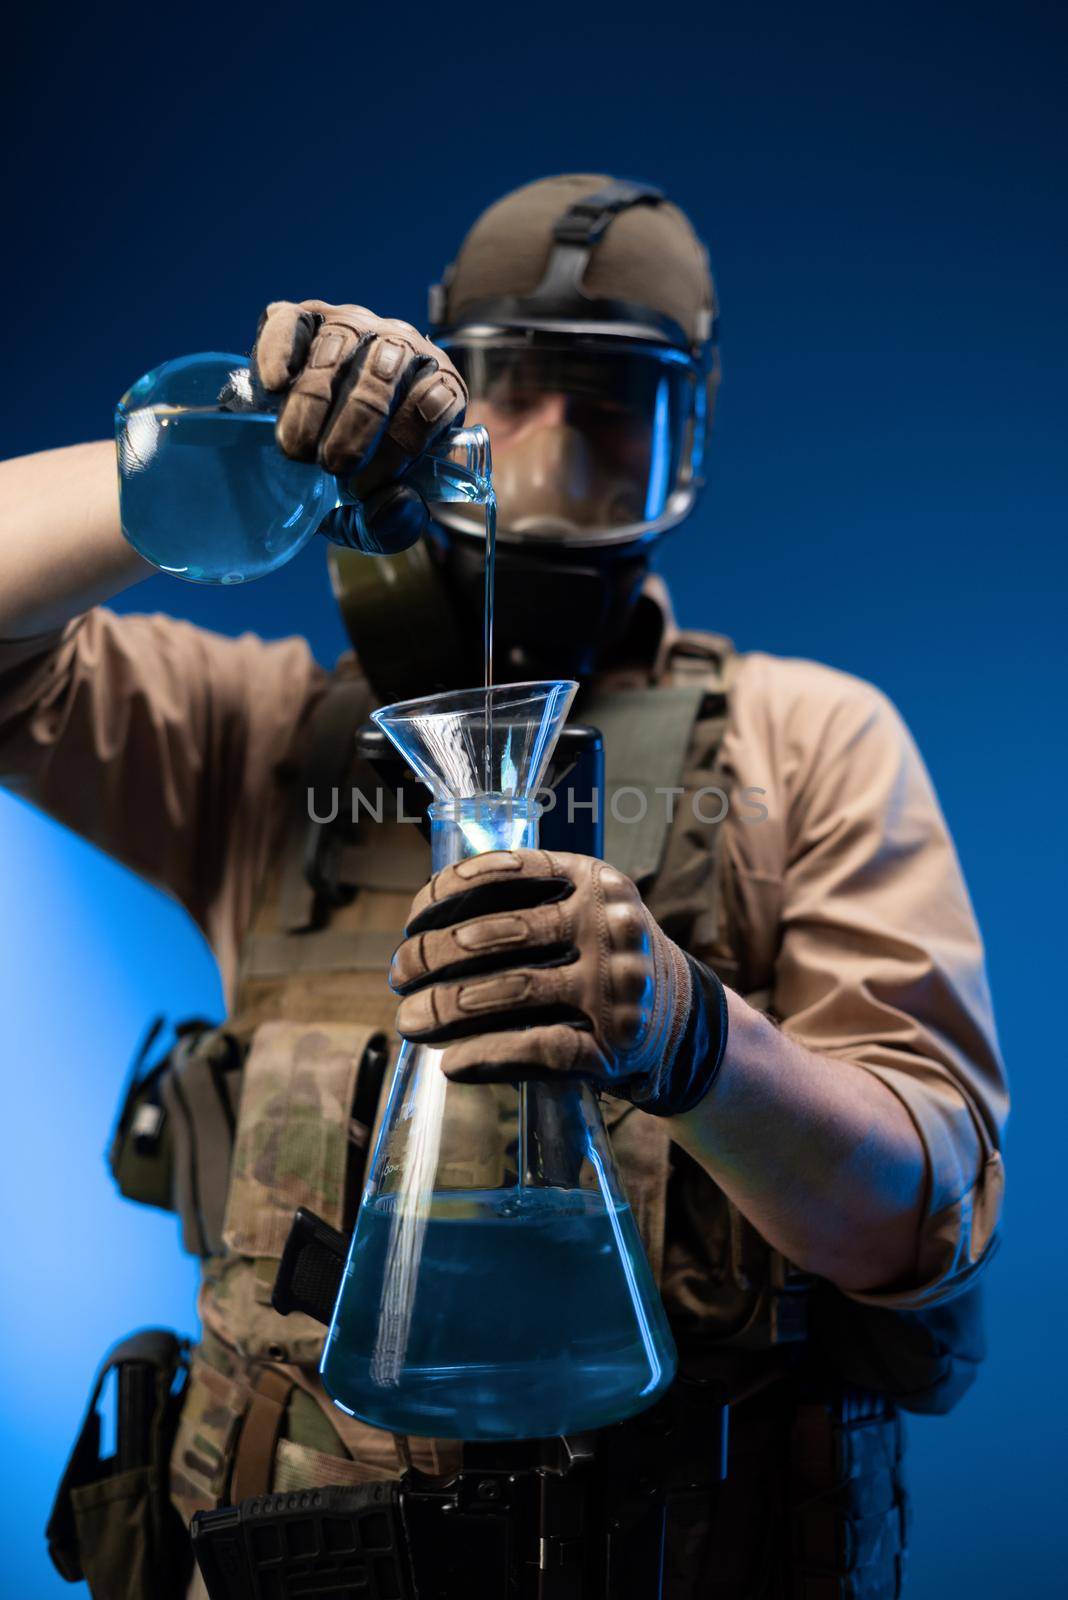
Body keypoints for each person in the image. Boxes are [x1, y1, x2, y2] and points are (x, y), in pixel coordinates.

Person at [0, 175, 1007, 1598]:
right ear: (435, 398)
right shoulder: (264, 737)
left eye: (608, 409)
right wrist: (241, 441)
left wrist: (696, 1038)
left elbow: (925, 1226)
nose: (541, 455)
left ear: (682, 441)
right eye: (503, 398)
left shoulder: (808, 742)